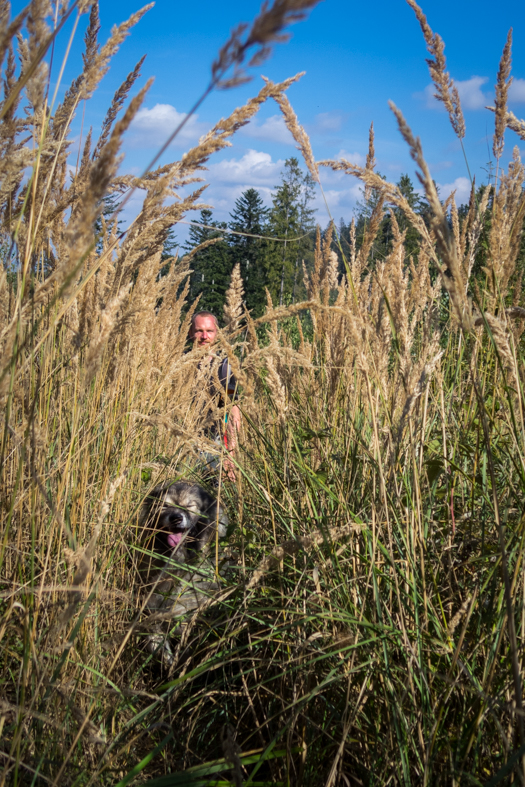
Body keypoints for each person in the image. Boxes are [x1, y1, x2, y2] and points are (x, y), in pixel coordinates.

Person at [189, 311, 241, 479]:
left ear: (217, 334)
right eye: (199, 331)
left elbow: (231, 411)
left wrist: (230, 456)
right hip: (183, 444)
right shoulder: (181, 366)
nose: (204, 336)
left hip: (215, 444)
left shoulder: (224, 368)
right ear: (190, 332)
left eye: (209, 331)